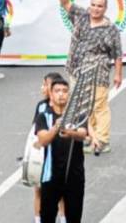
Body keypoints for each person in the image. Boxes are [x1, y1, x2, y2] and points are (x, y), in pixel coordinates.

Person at [56, 0, 123, 154]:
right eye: (93, 5)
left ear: (105, 9)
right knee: (83, 106)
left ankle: (103, 140)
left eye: (100, 6)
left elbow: (118, 54)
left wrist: (118, 74)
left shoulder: (111, 29)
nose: (96, 9)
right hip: (76, 67)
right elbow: (65, 4)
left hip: (97, 71)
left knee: (99, 105)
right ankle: (90, 137)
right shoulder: (81, 16)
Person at [34, 76, 87, 223]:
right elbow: (43, 140)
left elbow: (82, 134)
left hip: (74, 175)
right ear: (51, 94)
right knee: (48, 216)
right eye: (57, 91)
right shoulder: (43, 116)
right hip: (51, 175)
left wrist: (71, 132)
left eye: (65, 91)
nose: (61, 94)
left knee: (74, 217)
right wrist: (57, 126)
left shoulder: (78, 115)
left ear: (69, 94)